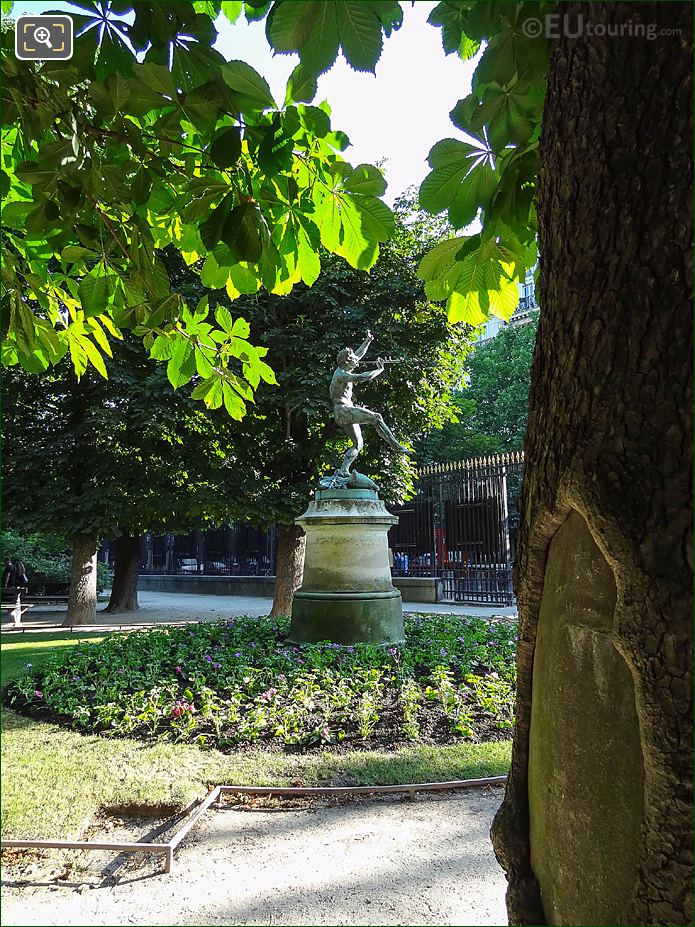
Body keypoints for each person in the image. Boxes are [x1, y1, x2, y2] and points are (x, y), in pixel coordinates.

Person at [329, 330, 411, 478]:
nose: (357, 360)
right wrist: (379, 370)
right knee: (377, 417)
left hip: (342, 412)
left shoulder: (343, 368)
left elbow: (358, 355)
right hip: (343, 410)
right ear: (348, 361)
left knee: (358, 444)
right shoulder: (342, 375)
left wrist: (367, 341)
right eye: (353, 359)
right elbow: (362, 377)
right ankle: (396, 446)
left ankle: (343, 470)